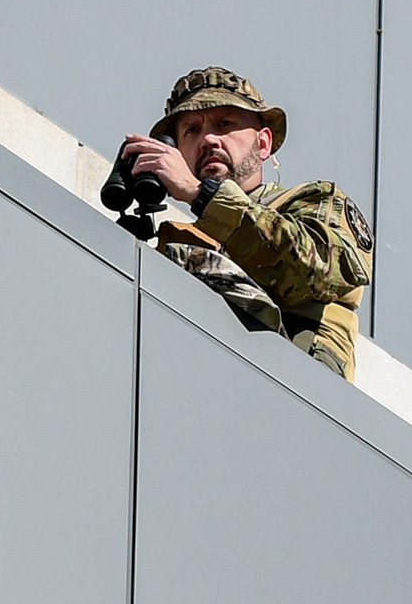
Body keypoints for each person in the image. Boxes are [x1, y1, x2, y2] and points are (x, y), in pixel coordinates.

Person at [111, 67, 375, 379]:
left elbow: (322, 273)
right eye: (191, 131)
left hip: (297, 387)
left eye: (225, 124)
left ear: (263, 144)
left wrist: (202, 195)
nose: (208, 139)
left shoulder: (313, 201)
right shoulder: (180, 239)